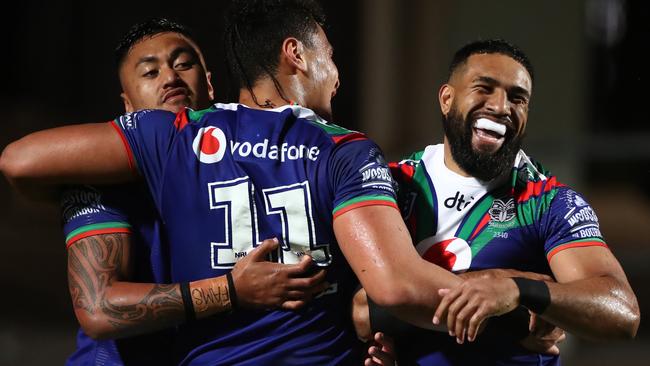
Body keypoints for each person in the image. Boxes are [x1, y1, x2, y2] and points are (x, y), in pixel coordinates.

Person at [0, 2, 553, 364]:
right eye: (330, 59)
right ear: (296, 55)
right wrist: (512, 302)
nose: (337, 75)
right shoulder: (344, 148)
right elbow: (394, 285)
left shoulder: (173, 139)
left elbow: (21, 160)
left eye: (185, 64)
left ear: (212, 79)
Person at [51, 18, 326, 365]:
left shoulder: (259, 165)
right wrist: (230, 291)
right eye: (150, 73)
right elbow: (98, 309)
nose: (170, 78)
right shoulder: (100, 180)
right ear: (128, 107)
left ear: (210, 85)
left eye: (183, 64)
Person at [354, 39, 640, 365]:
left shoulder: (548, 202)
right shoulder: (390, 187)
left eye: (517, 98)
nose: (501, 106)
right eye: (484, 88)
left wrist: (517, 289)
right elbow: (358, 309)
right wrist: (506, 294)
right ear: (447, 99)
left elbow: (622, 313)